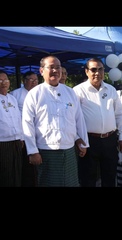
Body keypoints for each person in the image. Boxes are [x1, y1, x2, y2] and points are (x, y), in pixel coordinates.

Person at [22, 55, 89, 187]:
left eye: (57, 67)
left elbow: (78, 119)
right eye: (51, 67)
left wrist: (82, 140)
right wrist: (32, 151)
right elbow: (27, 123)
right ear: (41, 71)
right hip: (46, 150)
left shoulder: (70, 92)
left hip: (69, 148)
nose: (55, 71)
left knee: (71, 183)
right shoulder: (34, 94)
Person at [73, 57, 122, 187]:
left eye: (100, 69)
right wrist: (78, 139)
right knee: (88, 178)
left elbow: (119, 114)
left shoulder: (111, 90)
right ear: (86, 72)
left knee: (109, 177)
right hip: (89, 141)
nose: (97, 73)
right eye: (93, 69)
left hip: (110, 139)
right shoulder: (77, 91)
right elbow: (72, 118)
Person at [10, 71, 39, 187]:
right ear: (24, 81)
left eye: (36, 80)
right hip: (24, 135)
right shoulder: (15, 94)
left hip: (39, 134)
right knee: (27, 165)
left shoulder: (40, 93)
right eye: (31, 80)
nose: (34, 82)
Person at [0, 70, 24, 187]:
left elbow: (18, 119)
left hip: (16, 142)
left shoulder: (12, 98)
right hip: (2, 143)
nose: (3, 83)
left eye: (5, 80)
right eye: (0, 80)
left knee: (17, 172)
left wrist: (21, 137)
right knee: (5, 174)